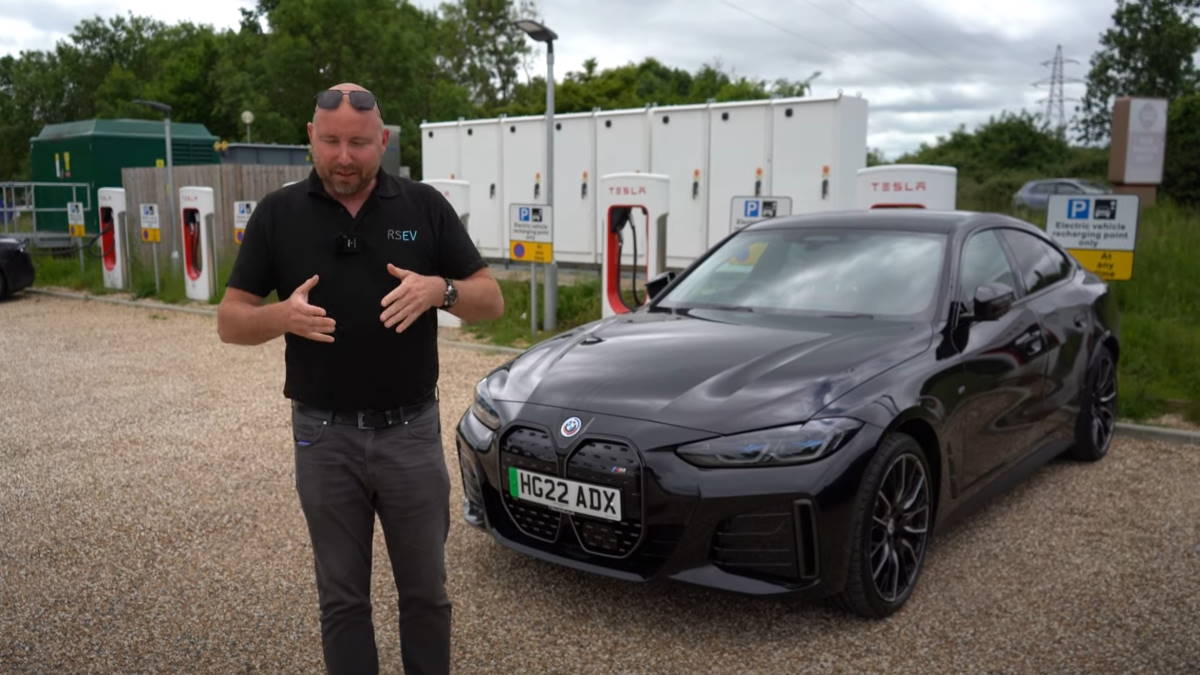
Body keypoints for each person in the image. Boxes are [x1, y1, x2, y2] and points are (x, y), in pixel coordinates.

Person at [217, 82, 503, 675]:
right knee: (342, 600)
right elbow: (230, 321)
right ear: (310, 137)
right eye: (330, 142)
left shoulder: (423, 206)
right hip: (323, 439)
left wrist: (439, 290)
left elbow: (491, 300)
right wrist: (281, 316)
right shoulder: (279, 213)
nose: (343, 157)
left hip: (410, 434)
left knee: (426, 595)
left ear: (384, 140)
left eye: (358, 143)